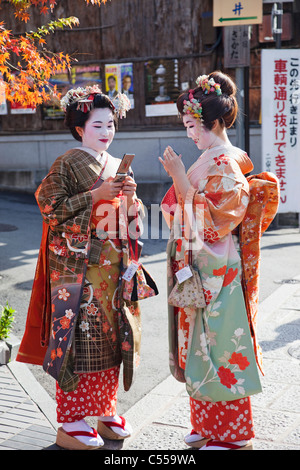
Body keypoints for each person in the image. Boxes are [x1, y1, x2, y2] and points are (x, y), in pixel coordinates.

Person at [16, 86, 146, 450]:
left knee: (111, 341)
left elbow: (130, 222)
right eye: (98, 125)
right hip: (79, 272)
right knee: (79, 342)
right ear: (80, 129)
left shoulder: (114, 163)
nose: (107, 132)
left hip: (112, 270)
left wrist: (131, 198)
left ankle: (106, 411)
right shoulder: (68, 163)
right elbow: (49, 208)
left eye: (111, 125)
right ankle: (72, 419)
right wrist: (95, 195)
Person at [159, 71, 278, 450]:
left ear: (212, 123)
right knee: (198, 346)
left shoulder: (226, 164)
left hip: (218, 270)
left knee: (221, 346)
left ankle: (233, 435)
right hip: (201, 267)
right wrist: (180, 189)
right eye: (186, 125)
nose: (189, 134)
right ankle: (206, 424)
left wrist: (180, 181)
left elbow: (213, 226)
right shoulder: (212, 160)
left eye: (192, 125)